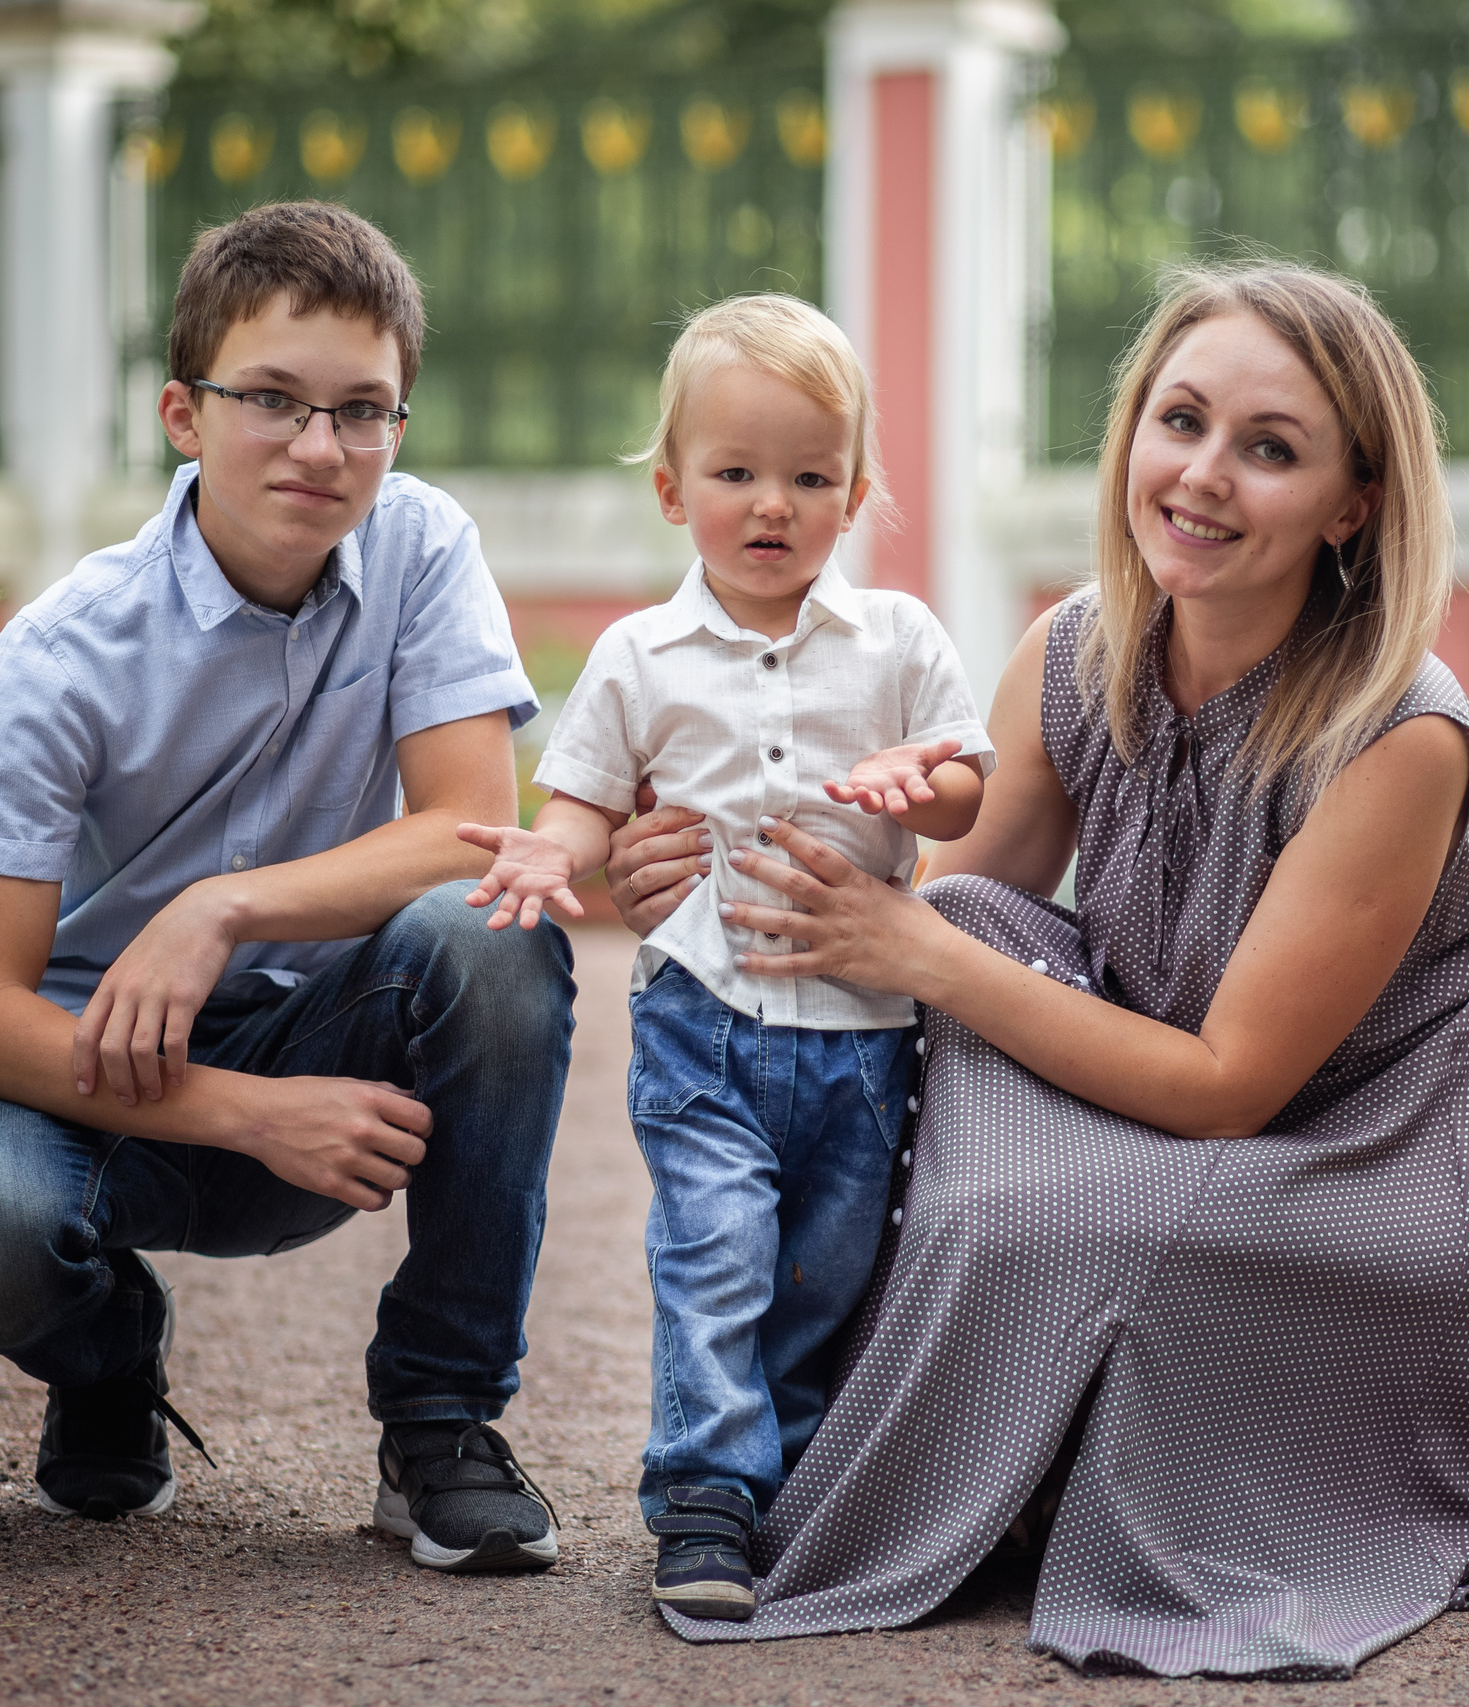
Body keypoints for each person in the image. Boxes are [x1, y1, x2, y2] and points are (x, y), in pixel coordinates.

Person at [602, 261, 1469, 1677]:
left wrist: (919, 949)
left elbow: (1228, 1088)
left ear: (1354, 503)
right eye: (1181, 420)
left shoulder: (1400, 737)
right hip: (1185, 1082)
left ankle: (1022, 1460)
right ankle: (936, 1441)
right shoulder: (1080, 647)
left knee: (1048, 1217)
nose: (1203, 475)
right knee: (961, 964)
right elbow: (945, 902)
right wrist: (694, 861)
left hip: (1395, 1149)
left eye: (1270, 449)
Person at [0, 202, 572, 1575]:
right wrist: (253, 1113)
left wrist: (222, 907)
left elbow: (470, 834)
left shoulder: (424, 549)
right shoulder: (64, 653)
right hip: (95, 1088)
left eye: (363, 411)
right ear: (184, 416)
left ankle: (439, 1421)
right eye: (273, 399)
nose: (322, 448)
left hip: (338, 1059)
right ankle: (105, 1355)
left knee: (496, 936)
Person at [461, 294, 992, 1622]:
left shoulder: (905, 641)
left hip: (866, 1035)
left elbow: (967, 793)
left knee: (827, 1266)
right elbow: (586, 791)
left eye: (811, 478)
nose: (773, 505)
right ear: (671, 488)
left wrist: (914, 790)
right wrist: (551, 852)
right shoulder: (643, 655)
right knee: (716, 1247)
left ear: (857, 491)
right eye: (736, 474)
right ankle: (701, 1494)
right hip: (706, 1018)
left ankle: (789, 1479)